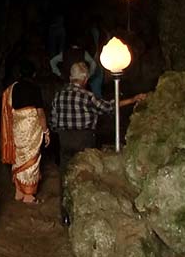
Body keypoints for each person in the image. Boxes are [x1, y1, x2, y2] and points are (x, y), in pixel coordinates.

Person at [50, 62, 147, 224]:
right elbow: (109, 107)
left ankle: (65, 215)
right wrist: (132, 99)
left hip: (65, 139)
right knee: (84, 175)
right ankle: (81, 216)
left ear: (70, 77)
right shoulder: (87, 96)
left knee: (65, 175)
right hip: (84, 139)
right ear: (85, 79)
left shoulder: (59, 95)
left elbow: (53, 121)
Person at [1, 61, 51, 204]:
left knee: (19, 157)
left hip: (17, 126)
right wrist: (45, 131)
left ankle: (18, 191)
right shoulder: (35, 88)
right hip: (31, 127)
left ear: (19, 74)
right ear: (34, 74)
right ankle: (28, 195)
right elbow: (40, 113)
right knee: (32, 159)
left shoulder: (12, 89)